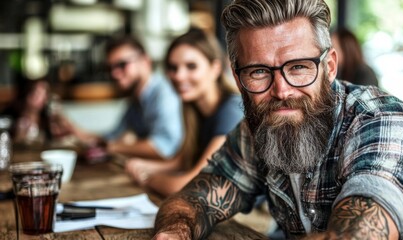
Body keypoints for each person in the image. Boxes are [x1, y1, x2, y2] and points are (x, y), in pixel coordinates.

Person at [153, 0, 403, 239]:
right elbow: (194, 199)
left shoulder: (387, 123)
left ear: (329, 67)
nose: (282, 90)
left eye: (299, 67)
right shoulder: (260, 128)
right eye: (259, 72)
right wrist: (174, 232)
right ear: (239, 79)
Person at [125, 28, 244, 196]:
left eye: (191, 66)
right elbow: (181, 162)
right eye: (173, 68)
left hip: (255, 217)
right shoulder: (193, 109)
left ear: (215, 68)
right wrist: (144, 166)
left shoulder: (232, 111)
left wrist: (149, 179)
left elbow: (191, 186)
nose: (179, 76)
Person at [51, 36, 184, 160]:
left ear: (145, 61)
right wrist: (74, 130)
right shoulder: (136, 101)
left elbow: (165, 147)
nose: (114, 73)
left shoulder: (164, 94)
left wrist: (112, 147)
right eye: (110, 68)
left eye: (122, 64)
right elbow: (111, 137)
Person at [2, 77, 52, 147]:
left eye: (44, 93)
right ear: (26, 93)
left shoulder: (47, 119)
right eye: (36, 92)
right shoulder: (11, 117)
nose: (40, 97)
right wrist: (18, 138)